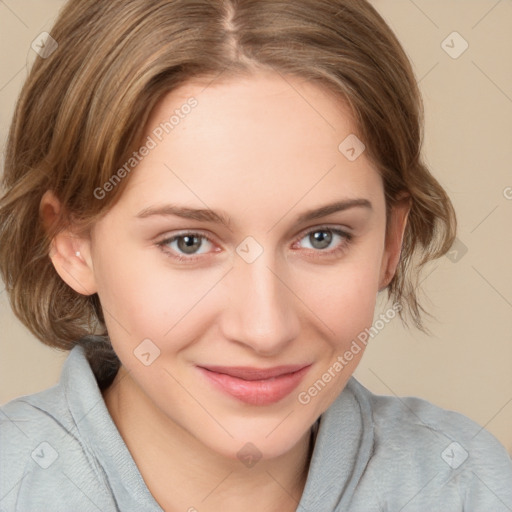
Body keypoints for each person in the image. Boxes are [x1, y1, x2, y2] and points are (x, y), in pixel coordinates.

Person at [0, 0, 510, 510]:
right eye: (188, 242)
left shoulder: (463, 485)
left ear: (390, 242)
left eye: (322, 237)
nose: (265, 330)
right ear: (73, 243)